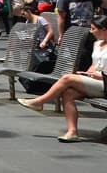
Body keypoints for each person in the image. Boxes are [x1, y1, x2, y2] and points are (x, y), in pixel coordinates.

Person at [17, 14, 107, 142]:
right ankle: (72, 132)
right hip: (95, 82)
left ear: (104, 29)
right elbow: (94, 65)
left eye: (93, 29)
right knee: (68, 93)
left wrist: (98, 76)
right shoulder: (97, 44)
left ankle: (39, 102)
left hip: (104, 82)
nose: (91, 32)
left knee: (67, 78)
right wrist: (87, 75)